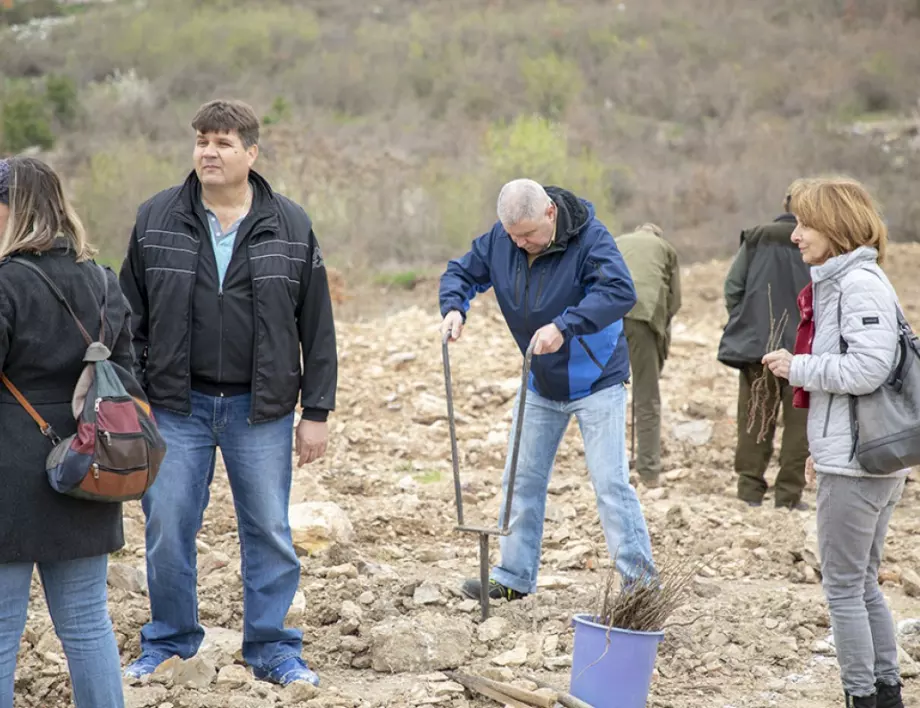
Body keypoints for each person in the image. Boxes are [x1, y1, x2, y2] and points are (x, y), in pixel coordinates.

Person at [118, 99, 338, 686]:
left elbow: (316, 326)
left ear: (251, 153)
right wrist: (134, 398)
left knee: (268, 529)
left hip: (258, 408)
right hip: (173, 407)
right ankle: (168, 644)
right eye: (201, 142)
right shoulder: (155, 218)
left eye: (222, 143)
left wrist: (315, 411)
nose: (208, 153)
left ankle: (271, 649)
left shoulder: (290, 224)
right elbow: (126, 319)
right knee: (167, 526)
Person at [439, 178, 656, 601]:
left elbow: (620, 291)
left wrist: (564, 325)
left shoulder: (590, 238)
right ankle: (514, 577)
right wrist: (453, 307)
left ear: (550, 214)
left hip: (596, 380)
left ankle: (641, 585)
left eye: (528, 235)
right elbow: (462, 272)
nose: (520, 244)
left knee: (611, 485)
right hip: (539, 380)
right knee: (521, 480)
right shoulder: (503, 239)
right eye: (513, 236)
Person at [763, 176, 907, 708]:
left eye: (805, 223)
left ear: (836, 226)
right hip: (855, 458)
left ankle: (863, 696)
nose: (795, 235)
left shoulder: (858, 285)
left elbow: (869, 367)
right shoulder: (842, 281)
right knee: (864, 584)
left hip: (859, 465)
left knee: (845, 588)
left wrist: (797, 366)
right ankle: (884, 693)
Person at [0, 157, 130, 708]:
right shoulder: (101, 279)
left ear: (11, 209)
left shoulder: (5, 282)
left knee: (2, 632)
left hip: (8, 474)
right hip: (86, 465)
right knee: (86, 625)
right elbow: (124, 375)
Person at [716, 186, 812, 509]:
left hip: (760, 347)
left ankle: (749, 492)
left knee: (756, 417)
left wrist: (748, 322)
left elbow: (732, 288)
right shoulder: (824, 242)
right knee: (800, 426)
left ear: (784, 205)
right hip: (805, 348)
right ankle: (788, 497)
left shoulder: (757, 237)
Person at [614, 223, 681, 488]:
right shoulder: (665, 249)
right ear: (657, 234)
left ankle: (609, 466)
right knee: (647, 396)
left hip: (608, 314)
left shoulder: (618, 241)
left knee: (606, 393)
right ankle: (649, 471)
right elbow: (675, 300)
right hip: (643, 318)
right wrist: (661, 334)